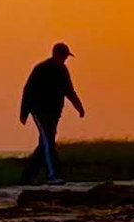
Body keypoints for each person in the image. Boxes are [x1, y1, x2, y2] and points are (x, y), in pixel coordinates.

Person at [16, 42, 84, 183]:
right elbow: (28, 90)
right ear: (56, 54)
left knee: (46, 143)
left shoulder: (63, 70)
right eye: (64, 56)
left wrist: (79, 107)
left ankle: (27, 177)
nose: (65, 59)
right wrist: (24, 112)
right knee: (48, 142)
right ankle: (52, 175)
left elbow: (69, 91)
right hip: (40, 111)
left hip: (54, 113)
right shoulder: (41, 69)